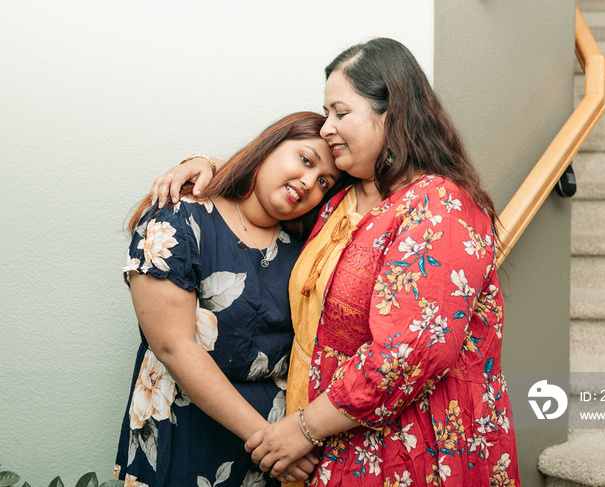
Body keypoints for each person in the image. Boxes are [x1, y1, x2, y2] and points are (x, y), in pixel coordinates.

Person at [152, 38, 520, 487]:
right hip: (331, 454)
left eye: (340, 113)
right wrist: (210, 164)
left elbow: (407, 355)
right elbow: (273, 191)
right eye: (326, 114)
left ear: (394, 111)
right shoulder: (339, 201)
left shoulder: (440, 205)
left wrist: (303, 428)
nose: (327, 127)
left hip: (412, 453)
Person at [116, 111, 343, 487]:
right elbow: (174, 347)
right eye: (305, 160)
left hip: (273, 462)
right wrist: (271, 443)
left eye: (324, 181)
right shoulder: (179, 220)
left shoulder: (306, 250)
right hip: (188, 444)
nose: (308, 182)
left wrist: (287, 444)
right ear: (270, 146)